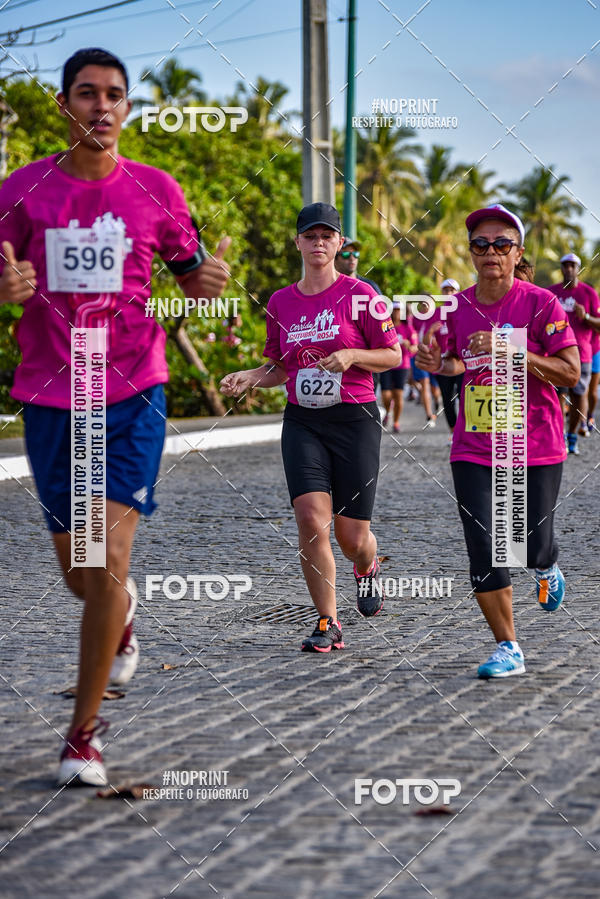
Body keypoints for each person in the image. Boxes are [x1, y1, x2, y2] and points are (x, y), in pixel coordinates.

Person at [0, 48, 230, 786]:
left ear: (128, 108)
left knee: (107, 558)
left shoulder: (156, 190)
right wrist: (8, 289)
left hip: (131, 391)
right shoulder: (20, 189)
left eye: (116, 96)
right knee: (82, 572)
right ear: (63, 105)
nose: (103, 107)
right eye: (88, 94)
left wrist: (208, 283)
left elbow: (193, 279)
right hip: (49, 394)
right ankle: (121, 619)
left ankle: (82, 737)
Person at [221, 203, 401, 651]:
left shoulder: (363, 295)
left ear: (340, 243)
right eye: (310, 235)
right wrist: (249, 377)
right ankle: (328, 622)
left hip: (354, 420)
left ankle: (367, 565)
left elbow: (394, 355)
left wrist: (353, 356)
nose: (319, 243)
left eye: (328, 236)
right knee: (309, 519)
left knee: (351, 537)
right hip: (303, 421)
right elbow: (280, 367)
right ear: (298, 242)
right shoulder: (281, 301)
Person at [416, 204, 580, 679]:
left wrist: (512, 348)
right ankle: (508, 646)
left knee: (529, 545)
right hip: (475, 445)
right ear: (470, 253)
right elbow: (455, 362)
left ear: (517, 253)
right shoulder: (457, 308)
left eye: (502, 244)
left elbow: (569, 371)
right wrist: (435, 364)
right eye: (481, 244)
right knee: (485, 545)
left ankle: (547, 565)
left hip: (535, 442)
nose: (491, 252)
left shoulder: (541, 305)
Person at [549, 253, 600, 452]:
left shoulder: (588, 293)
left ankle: (572, 437)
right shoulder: (551, 293)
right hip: (556, 352)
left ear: (578, 268)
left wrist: (585, 316)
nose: (569, 269)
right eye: (565, 265)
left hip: (583, 353)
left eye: (572, 265)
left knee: (580, 395)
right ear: (561, 268)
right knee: (558, 396)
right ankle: (559, 437)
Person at [425, 279, 462, 439]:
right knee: (447, 399)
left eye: (452, 290)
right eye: (446, 290)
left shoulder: (465, 311)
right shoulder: (435, 314)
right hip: (443, 364)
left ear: (458, 293)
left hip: (462, 363)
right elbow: (425, 341)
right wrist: (430, 333)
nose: (449, 294)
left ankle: (465, 433)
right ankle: (454, 434)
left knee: (465, 397)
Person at [380, 300, 417, 433]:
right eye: (394, 309)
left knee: (398, 395)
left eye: (399, 310)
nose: (396, 312)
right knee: (386, 395)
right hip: (386, 364)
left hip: (402, 365)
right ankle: (388, 412)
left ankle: (395, 422)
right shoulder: (385, 326)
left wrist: (408, 344)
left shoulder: (408, 328)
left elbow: (414, 348)